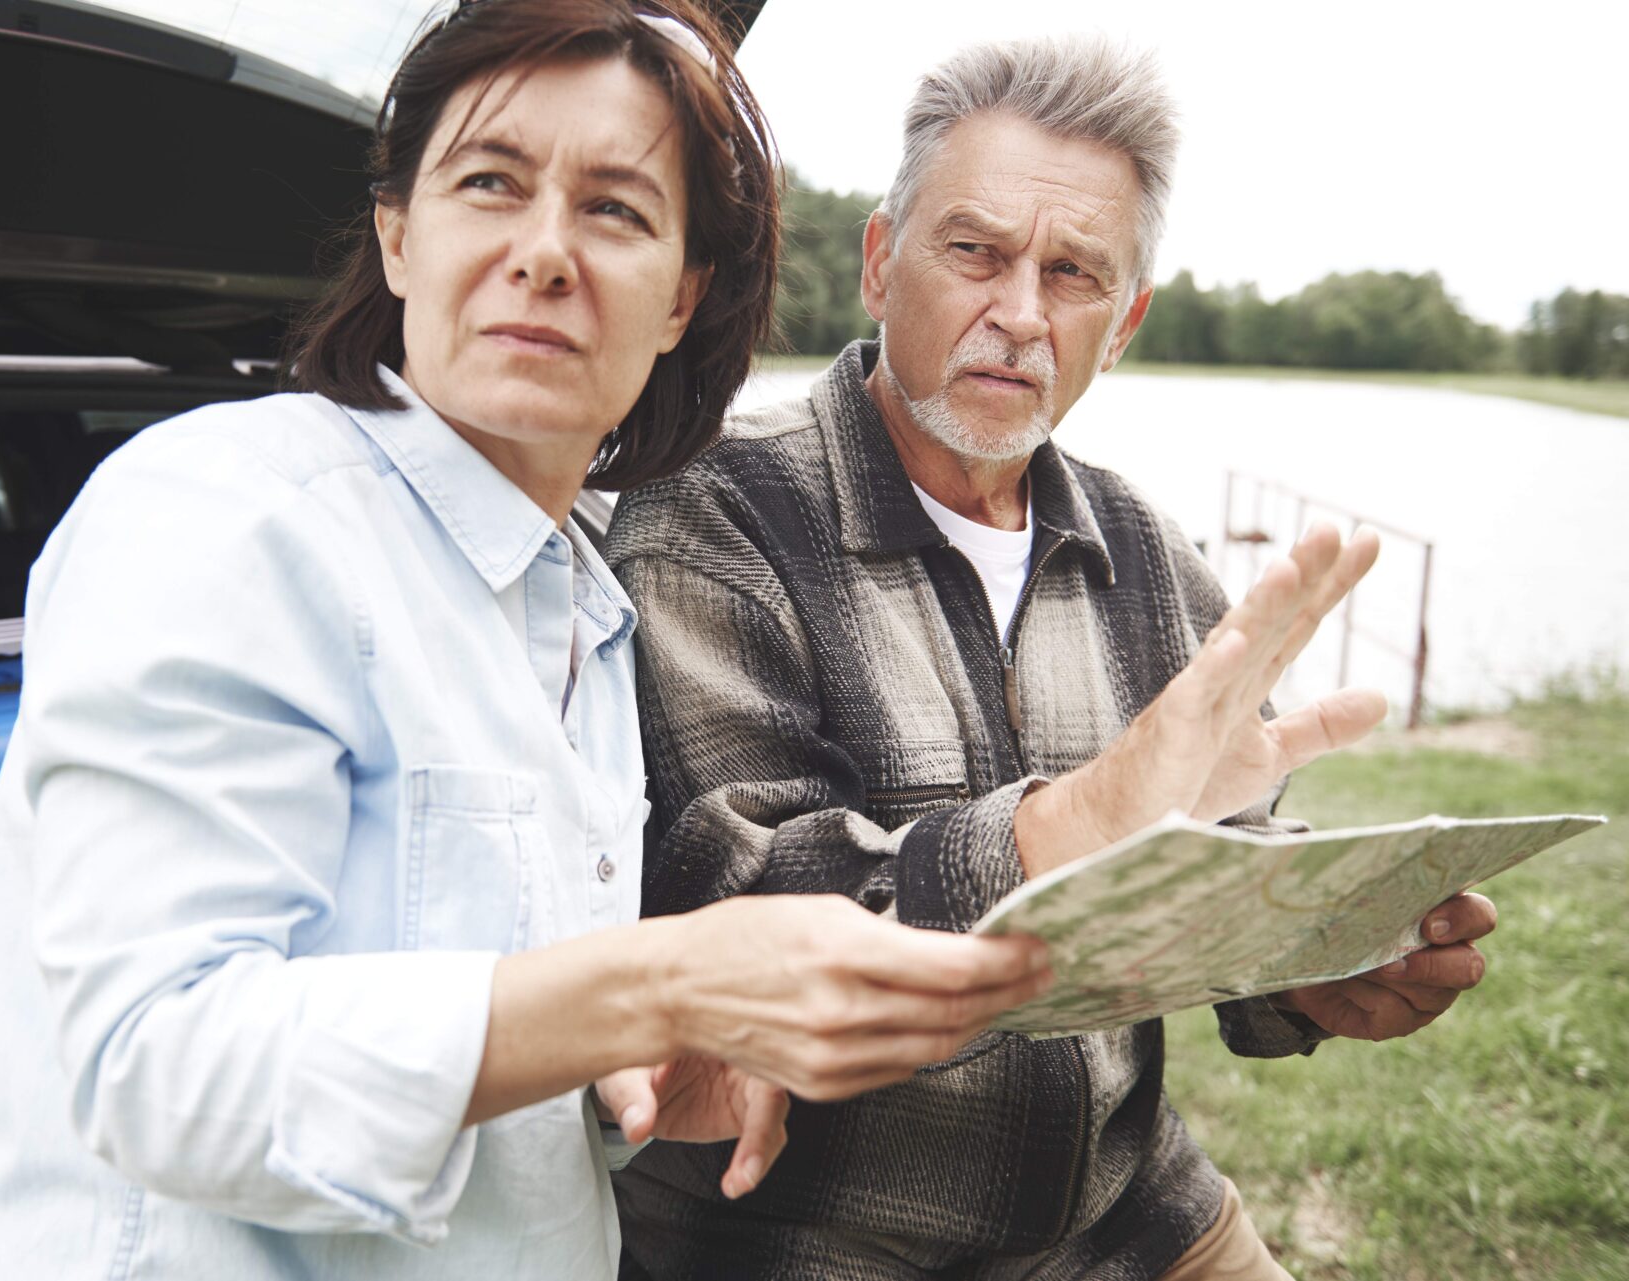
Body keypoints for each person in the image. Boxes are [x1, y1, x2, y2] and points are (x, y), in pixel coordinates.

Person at [0, 6, 1059, 1279]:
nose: (545, 254)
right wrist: (659, 984)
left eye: (616, 209)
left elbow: (478, 1024)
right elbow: (153, 1063)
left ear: (682, 297)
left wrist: (632, 1073)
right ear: (399, 236)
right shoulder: (230, 517)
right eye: (491, 184)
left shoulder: (591, 609)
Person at [606, 36, 1499, 1281]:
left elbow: (1210, 877)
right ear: (878, 261)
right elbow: (748, 905)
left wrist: (1317, 965)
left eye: (1074, 273)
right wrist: (1078, 820)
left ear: (1122, 324)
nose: (1021, 313)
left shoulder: (1155, 558)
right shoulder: (711, 514)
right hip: (819, 1249)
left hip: (1136, 1226)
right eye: (975, 251)